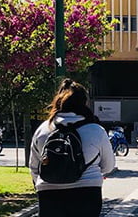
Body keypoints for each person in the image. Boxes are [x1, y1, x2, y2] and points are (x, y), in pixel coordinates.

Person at [29, 79, 116, 217]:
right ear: (84, 103)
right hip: (87, 193)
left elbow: (34, 167)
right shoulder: (96, 130)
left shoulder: (43, 129)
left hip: (49, 193)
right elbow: (108, 166)